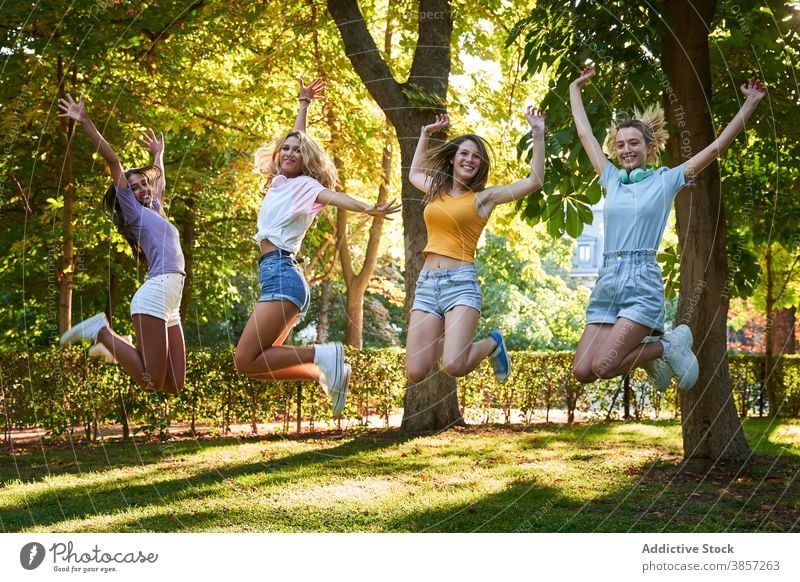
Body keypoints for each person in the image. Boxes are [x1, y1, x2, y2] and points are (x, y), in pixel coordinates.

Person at [569, 66, 766, 391]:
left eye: (634, 143)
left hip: (640, 283)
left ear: (649, 147)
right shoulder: (612, 179)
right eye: (620, 145)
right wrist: (576, 87)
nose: (627, 150)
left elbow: (715, 149)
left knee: (605, 366)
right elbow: (584, 134)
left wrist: (750, 104)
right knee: (582, 371)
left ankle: (668, 345)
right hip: (606, 282)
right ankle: (652, 355)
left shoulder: (666, 179)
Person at [233, 78, 400, 416]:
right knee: (256, 364)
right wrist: (303, 105)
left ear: (306, 160)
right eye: (286, 149)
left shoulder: (306, 187)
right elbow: (297, 138)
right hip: (277, 276)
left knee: (244, 358)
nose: (291, 152)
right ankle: (325, 370)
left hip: (282, 275)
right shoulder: (280, 183)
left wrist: (369, 207)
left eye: (298, 151)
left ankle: (324, 357)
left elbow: (335, 197)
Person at [406, 108, 546, 385]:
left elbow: (534, 181)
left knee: (454, 365)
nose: (470, 159)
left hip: (460, 284)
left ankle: (492, 343)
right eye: (465, 153)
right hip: (427, 285)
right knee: (416, 371)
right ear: (453, 158)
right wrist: (424, 134)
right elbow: (413, 174)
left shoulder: (484, 198)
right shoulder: (435, 190)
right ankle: (448, 339)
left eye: (476, 156)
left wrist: (538, 134)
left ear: (480, 165)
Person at [58, 95, 186, 394]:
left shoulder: (155, 211)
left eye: (144, 183)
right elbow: (113, 161)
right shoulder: (134, 213)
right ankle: (100, 331)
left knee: (174, 385)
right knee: (151, 382)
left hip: (171, 302)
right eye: (135, 186)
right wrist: (86, 121)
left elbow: (160, 181)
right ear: (125, 195)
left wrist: (158, 156)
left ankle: (115, 341)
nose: (142, 188)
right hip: (155, 295)